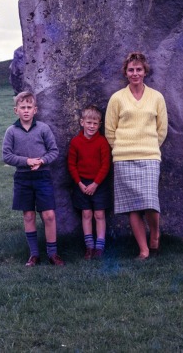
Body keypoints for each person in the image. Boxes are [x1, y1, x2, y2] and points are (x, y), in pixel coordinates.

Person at [105, 52, 168, 260]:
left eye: (138, 69)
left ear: (145, 71)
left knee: (151, 203)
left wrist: (149, 146)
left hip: (149, 155)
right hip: (123, 158)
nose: (135, 73)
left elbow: (162, 129)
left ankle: (156, 234)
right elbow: (110, 130)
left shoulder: (156, 97)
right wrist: (121, 149)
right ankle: (143, 250)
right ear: (125, 72)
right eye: (131, 70)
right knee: (132, 207)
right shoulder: (117, 98)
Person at [2, 90, 64, 266]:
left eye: (30, 107)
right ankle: (34, 254)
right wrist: (27, 161)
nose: (26, 110)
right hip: (22, 178)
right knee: (28, 215)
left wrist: (42, 161)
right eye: (23, 107)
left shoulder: (43, 129)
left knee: (49, 215)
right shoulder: (11, 131)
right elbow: (7, 156)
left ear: (35, 110)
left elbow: (54, 151)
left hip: (42, 176)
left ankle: (53, 253)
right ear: (16, 111)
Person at [67, 104, 111, 260]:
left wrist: (95, 184)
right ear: (82, 122)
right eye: (89, 122)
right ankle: (89, 246)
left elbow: (106, 165)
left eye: (95, 123)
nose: (91, 126)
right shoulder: (76, 142)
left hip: (99, 183)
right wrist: (79, 183)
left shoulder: (102, 142)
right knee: (86, 213)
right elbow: (71, 164)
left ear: (99, 125)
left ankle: (100, 246)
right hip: (81, 184)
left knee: (99, 214)